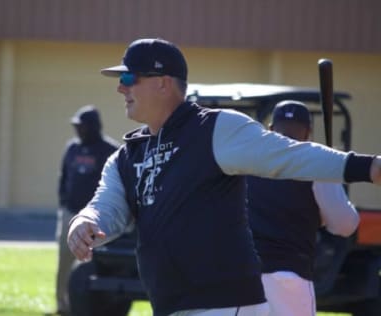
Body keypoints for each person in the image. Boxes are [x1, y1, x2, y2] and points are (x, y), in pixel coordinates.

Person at [66, 38, 381, 316]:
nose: (121, 86)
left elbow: (288, 155)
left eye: (129, 77)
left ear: (162, 82)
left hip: (225, 303)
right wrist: (87, 221)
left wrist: (367, 167)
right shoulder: (126, 155)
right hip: (170, 303)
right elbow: (107, 205)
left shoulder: (215, 129)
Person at [246, 100, 360, 316]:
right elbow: (345, 225)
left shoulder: (247, 161)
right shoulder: (315, 162)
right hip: (290, 278)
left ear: (271, 129)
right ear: (308, 132)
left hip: (243, 276)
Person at [54, 105, 118, 315]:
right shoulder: (72, 148)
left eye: (81, 126)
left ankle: (90, 306)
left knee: (92, 263)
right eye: (76, 126)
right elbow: (63, 176)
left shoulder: (109, 150)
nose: (78, 130)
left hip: (95, 219)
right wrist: (63, 202)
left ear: (92, 126)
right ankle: (62, 305)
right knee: (64, 261)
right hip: (70, 213)